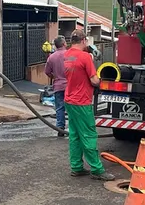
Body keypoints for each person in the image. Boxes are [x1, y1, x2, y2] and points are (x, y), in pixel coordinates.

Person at [63, 32, 115, 181]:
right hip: (82, 101)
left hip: (70, 99)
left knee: (75, 135)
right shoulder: (85, 57)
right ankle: (97, 169)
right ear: (84, 40)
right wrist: (99, 78)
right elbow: (94, 81)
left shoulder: (67, 55)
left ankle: (76, 167)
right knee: (89, 134)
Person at [44, 35, 68, 137]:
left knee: (59, 108)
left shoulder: (51, 57)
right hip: (70, 86)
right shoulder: (70, 55)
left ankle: (60, 128)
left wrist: (55, 77)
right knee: (72, 108)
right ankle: (74, 129)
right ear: (64, 44)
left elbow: (47, 72)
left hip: (58, 85)